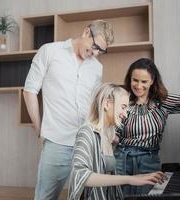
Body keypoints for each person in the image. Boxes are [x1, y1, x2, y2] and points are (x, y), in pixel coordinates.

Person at [23, 20, 114, 200]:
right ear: (87, 32)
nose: (95, 53)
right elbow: (29, 91)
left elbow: (93, 106)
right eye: (95, 46)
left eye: (100, 51)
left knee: (86, 196)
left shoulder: (97, 67)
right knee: (45, 197)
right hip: (57, 142)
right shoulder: (50, 51)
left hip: (87, 143)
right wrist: (39, 130)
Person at [114, 58, 180, 196]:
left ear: (152, 81)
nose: (139, 86)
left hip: (148, 161)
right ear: (130, 79)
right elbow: (114, 130)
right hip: (121, 160)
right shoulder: (122, 98)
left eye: (144, 81)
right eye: (135, 80)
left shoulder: (163, 101)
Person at [68, 83, 166, 200]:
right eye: (123, 107)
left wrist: (140, 176)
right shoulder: (86, 132)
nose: (125, 114)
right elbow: (80, 175)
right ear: (107, 104)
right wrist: (130, 179)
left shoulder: (106, 136)